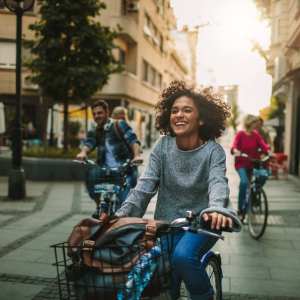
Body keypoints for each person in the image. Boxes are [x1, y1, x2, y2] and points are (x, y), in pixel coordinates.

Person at [115, 81, 240, 300]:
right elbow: (144, 187)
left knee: (183, 257)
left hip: (202, 224)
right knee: (162, 283)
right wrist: (120, 217)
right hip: (166, 224)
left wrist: (216, 209)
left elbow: (218, 183)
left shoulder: (213, 152)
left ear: (201, 119)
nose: (179, 115)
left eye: (187, 110)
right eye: (174, 111)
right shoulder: (163, 146)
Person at [76, 100, 142, 204]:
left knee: (125, 203)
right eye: (94, 114)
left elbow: (133, 140)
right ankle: (99, 205)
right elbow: (89, 143)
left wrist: (137, 156)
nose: (96, 116)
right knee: (91, 176)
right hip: (104, 169)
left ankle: (126, 214)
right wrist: (83, 153)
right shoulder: (94, 131)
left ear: (107, 112)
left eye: (100, 113)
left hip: (124, 169)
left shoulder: (119, 124)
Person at [231, 114, 270, 217]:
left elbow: (263, 145)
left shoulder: (256, 134)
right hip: (241, 164)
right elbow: (234, 145)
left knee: (264, 176)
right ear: (249, 123)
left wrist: (268, 151)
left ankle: (254, 194)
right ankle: (240, 210)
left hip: (253, 163)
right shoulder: (240, 134)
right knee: (244, 182)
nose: (256, 124)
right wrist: (235, 150)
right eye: (254, 122)